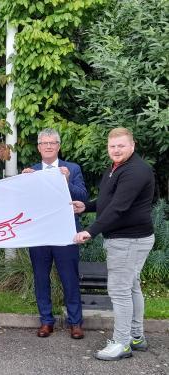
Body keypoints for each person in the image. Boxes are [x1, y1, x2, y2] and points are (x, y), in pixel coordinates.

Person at [73, 127, 155, 361]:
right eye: (112, 146)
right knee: (131, 287)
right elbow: (109, 199)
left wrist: (90, 230)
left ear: (132, 145)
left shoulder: (136, 171)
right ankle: (136, 336)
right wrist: (86, 206)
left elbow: (119, 207)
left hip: (129, 239)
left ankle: (122, 343)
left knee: (119, 291)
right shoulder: (117, 167)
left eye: (121, 145)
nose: (116, 150)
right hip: (127, 238)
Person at [22, 128, 88, 340]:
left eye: (53, 142)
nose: (49, 146)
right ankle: (46, 321)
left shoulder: (72, 169)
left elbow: (83, 197)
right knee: (41, 279)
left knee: (69, 279)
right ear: (39, 147)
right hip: (40, 234)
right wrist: (24, 183)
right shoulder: (31, 171)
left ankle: (75, 323)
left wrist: (67, 181)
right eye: (44, 143)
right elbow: (21, 202)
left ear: (59, 146)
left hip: (66, 233)